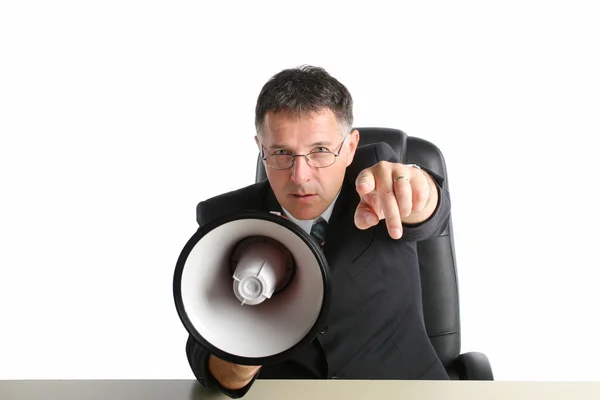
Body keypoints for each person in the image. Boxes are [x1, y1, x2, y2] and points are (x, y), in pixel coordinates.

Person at [185, 65, 452, 398]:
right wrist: (243, 351)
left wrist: (419, 193)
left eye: (321, 151)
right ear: (261, 148)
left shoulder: (377, 183)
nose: (300, 175)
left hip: (404, 388)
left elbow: (430, 212)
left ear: (351, 147)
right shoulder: (224, 219)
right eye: (281, 153)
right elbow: (205, 357)